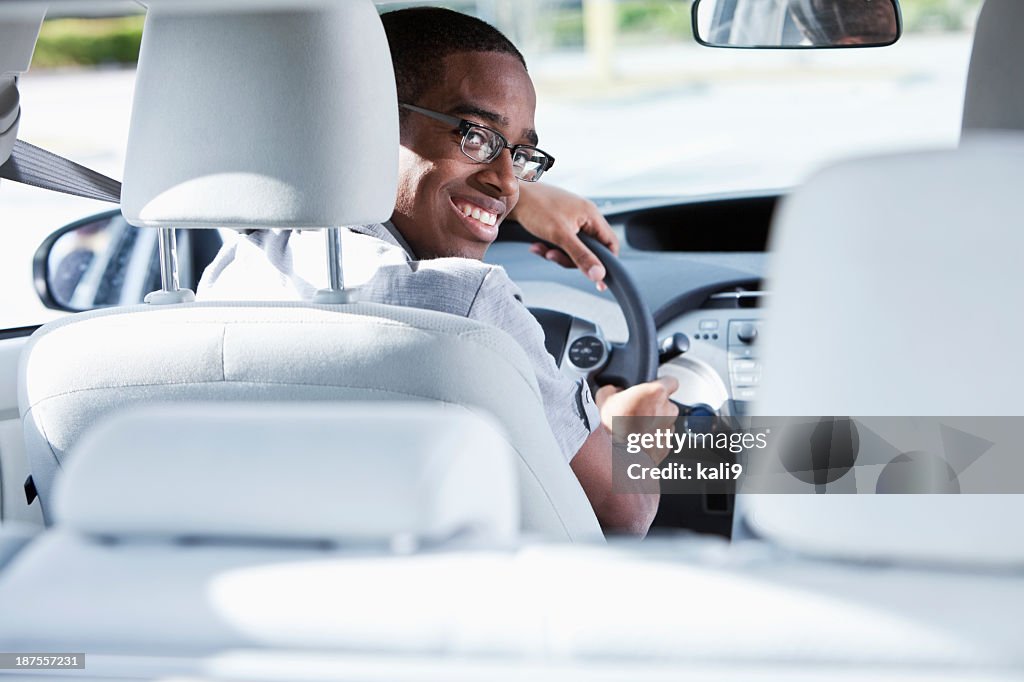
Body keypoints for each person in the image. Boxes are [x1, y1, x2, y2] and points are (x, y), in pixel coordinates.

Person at [199, 7, 678, 536]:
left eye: (520, 155)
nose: (508, 182)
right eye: (475, 135)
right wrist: (625, 429)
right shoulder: (464, 305)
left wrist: (499, 188)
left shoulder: (232, 272)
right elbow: (623, 513)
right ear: (370, 123)